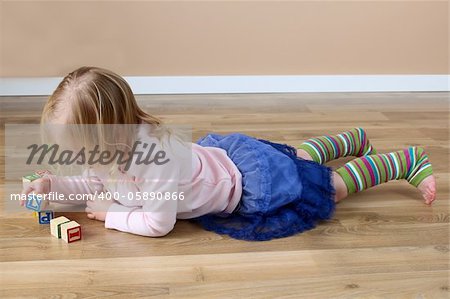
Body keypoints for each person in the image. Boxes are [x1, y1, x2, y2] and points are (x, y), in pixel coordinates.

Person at [22, 66, 436, 241]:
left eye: (79, 150)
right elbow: (91, 183)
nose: (78, 159)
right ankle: (354, 139)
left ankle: (403, 162)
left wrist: (112, 216)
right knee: (299, 160)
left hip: (248, 185)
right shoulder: (106, 156)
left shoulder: (155, 160)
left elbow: (158, 223)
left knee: (325, 186)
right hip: (223, 160)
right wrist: (53, 185)